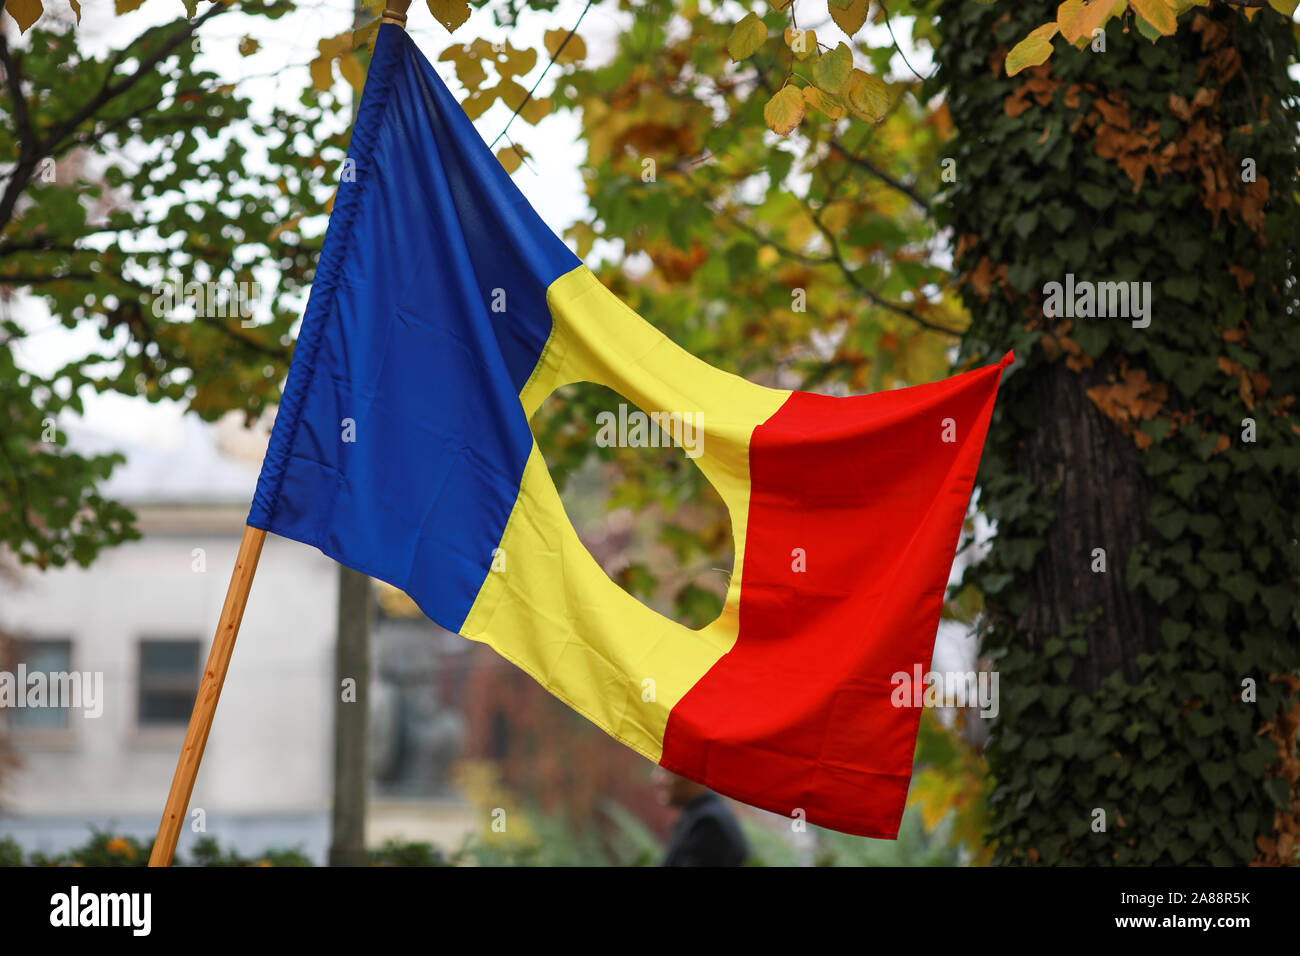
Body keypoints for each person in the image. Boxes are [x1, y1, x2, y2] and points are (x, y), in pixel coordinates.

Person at [652, 767, 749, 866]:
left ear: (692, 775)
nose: (657, 779)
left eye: (668, 772)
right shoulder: (702, 812)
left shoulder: (709, 823)